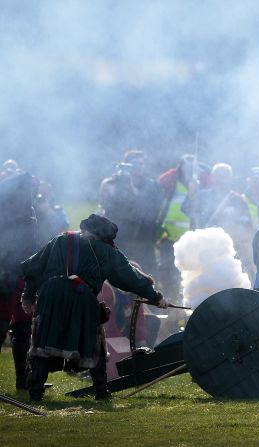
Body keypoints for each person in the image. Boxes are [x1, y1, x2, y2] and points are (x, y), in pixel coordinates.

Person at [20, 214, 168, 402]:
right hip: (82, 297)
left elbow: (34, 268)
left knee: (43, 344)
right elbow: (130, 277)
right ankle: (101, 392)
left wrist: (28, 296)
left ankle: (36, 394)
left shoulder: (60, 239)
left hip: (51, 296)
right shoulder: (106, 250)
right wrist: (156, 298)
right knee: (94, 344)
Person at [0, 162, 38, 390]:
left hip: (21, 275)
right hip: (4, 276)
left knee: (23, 329)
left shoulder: (29, 211)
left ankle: (23, 380)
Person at [183, 163, 255, 278]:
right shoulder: (201, 196)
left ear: (230, 179)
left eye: (224, 176)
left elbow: (246, 229)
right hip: (204, 249)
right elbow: (186, 209)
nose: (220, 180)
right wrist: (191, 193)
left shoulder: (238, 200)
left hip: (228, 250)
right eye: (217, 176)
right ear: (212, 177)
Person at [99, 150, 164, 277]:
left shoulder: (152, 185)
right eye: (134, 163)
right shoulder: (113, 183)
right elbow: (106, 207)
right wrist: (112, 185)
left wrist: (131, 186)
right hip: (121, 240)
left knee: (148, 279)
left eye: (141, 163)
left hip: (144, 241)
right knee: (119, 278)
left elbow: (149, 209)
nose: (139, 167)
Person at [157, 154, 209, 298]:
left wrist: (195, 192)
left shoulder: (199, 187)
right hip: (168, 237)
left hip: (190, 240)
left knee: (188, 272)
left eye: (192, 167)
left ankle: (184, 302)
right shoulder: (173, 185)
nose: (189, 170)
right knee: (166, 271)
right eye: (186, 166)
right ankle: (168, 300)